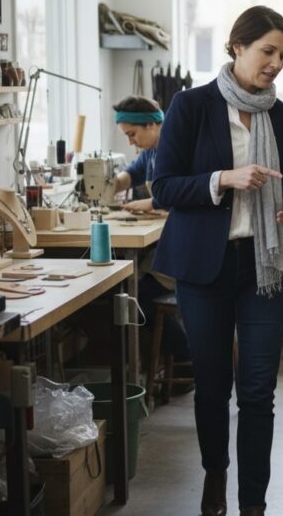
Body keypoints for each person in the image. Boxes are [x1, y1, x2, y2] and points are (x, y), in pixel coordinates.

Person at [151, 5, 283, 516]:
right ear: (237, 46)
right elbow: (163, 187)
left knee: (259, 391)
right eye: (268, 51)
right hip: (205, 268)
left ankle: (254, 502)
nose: (276, 64)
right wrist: (224, 179)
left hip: (264, 268)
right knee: (213, 385)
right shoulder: (191, 107)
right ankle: (215, 475)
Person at [109, 95, 190, 366]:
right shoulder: (151, 152)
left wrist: (148, 203)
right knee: (128, 289)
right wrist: (108, 183)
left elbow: (182, 193)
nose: (131, 142)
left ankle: (186, 359)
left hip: (185, 244)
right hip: (168, 239)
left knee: (136, 297)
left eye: (132, 134)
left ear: (150, 126)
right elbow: (130, 174)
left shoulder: (176, 146)